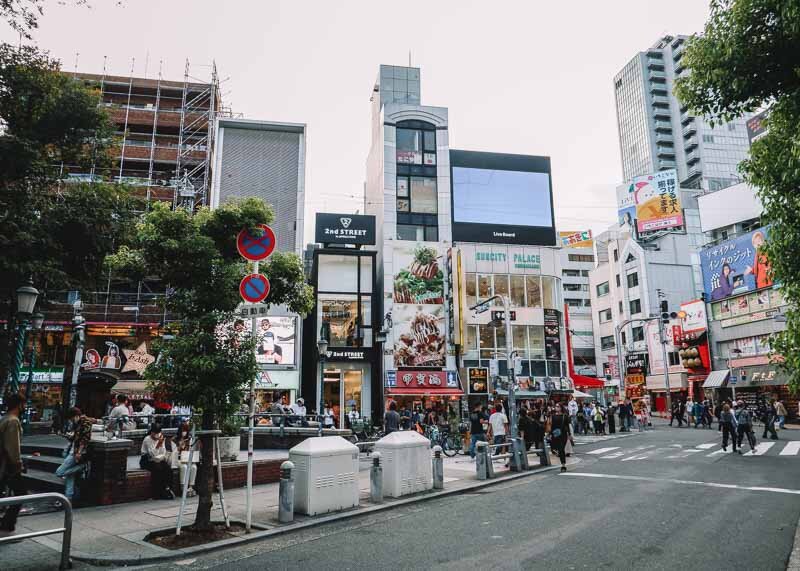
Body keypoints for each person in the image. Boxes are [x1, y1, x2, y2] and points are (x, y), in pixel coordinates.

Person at [0, 394, 26, 535]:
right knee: (21, 493)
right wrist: (18, 464)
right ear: (19, 405)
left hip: (4, 465)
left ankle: (6, 523)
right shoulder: (13, 421)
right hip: (7, 466)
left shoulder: (4, 418)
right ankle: (8, 523)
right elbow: (12, 447)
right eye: (24, 404)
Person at [55, 407, 94, 501]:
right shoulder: (78, 423)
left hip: (76, 452)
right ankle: (69, 497)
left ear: (76, 416)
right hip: (73, 450)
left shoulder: (85, 423)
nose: (72, 421)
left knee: (59, 472)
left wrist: (79, 453)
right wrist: (67, 436)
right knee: (70, 475)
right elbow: (76, 438)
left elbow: (85, 439)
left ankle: (82, 467)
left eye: (72, 418)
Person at [140, 424, 174, 500]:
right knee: (157, 470)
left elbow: (163, 451)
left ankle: (167, 488)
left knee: (168, 469)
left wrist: (161, 444)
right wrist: (158, 445)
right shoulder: (147, 439)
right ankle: (156, 493)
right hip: (147, 460)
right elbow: (152, 454)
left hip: (158, 459)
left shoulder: (161, 438)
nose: (156, 435)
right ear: (151, 432)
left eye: (158, 433)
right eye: (155, 433)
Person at [172, 422, 197, 497]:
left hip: (187, 458)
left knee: (193, 467)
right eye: (183, 430)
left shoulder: (189, 439)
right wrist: (179, 447)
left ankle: (191, 487)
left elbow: (192, 450)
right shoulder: (174, 439)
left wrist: (189, 446)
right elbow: (174, 452)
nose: (184, 432)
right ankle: (183, 488)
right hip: (178, 459)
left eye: (186, 430)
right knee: (184, 467)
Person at [548, 402, 572, 473]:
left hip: (563, 435)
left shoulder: (565, 416)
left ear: (561, 408)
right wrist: (549, 434)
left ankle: (563, 465)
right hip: (555, 435)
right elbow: (551, 426)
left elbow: (567, 426)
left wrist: (569, 434)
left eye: (558, 406)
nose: (556, 408)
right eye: (556, 406)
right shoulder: (553, 416)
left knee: (561, 449)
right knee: (554, 448)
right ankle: (559, 456)